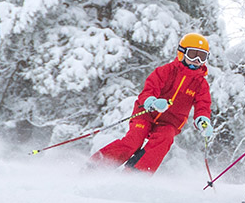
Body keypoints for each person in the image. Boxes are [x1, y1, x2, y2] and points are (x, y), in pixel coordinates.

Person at [89, 33, 214, 173]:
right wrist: (151, 102)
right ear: (182, 53)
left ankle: (136, 173)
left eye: (201, 56)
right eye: (193, 54)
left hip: (170, 123)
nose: (196, 60)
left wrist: (202, 120)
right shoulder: (166, 71)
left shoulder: (201, 84)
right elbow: (149, 90)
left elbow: (203, 105)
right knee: (134, 141)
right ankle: (97, 166)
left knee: (165, 138)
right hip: (146, 114)